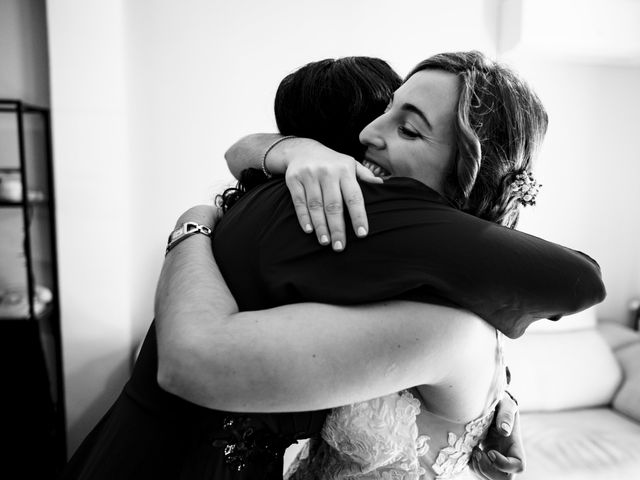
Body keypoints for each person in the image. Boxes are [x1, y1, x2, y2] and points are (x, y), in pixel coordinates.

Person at [154, 52, 605, 480]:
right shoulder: (396, 273)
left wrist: (193, 220)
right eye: (386, 109)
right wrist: (293, 149)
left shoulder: (445, 325)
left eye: (409, 129)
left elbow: (578, 281)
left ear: (468, 173)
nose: (367, 133)